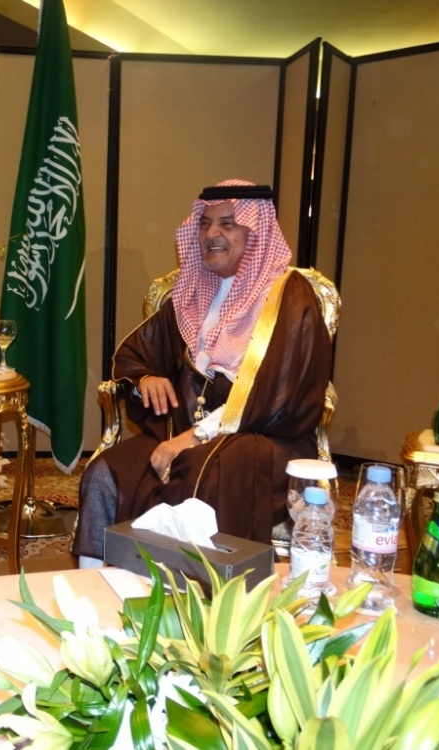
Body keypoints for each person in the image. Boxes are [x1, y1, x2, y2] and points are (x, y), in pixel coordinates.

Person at [72, 180, 332, 566]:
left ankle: (204, 596)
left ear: (255, 231)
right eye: (205, 223)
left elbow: (281, 395)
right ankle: (96, 585)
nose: (212, 234)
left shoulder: (289, 297)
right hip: (183, 428)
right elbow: (137, 354)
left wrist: (195, 437)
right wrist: (146, 378)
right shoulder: (193, 291)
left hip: (265, 437)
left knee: (205, 473)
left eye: (227, 223)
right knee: (104, 474)